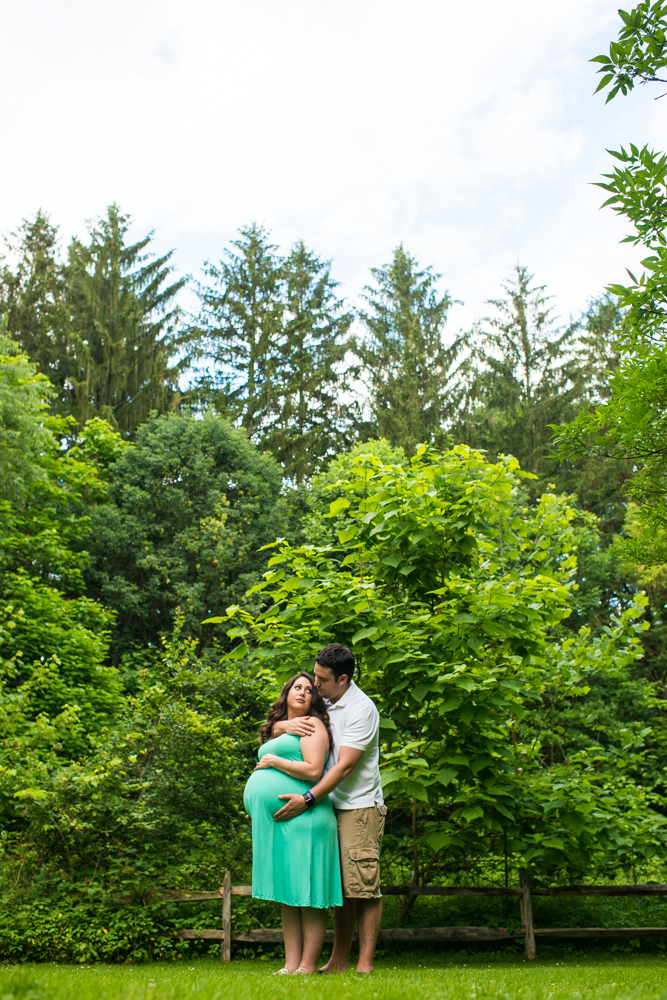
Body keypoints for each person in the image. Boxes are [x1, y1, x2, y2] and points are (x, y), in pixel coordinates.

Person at [272, 643, 386, 974]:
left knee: (363, 888)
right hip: (329, 806)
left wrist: (307, 798)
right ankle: (338, 960)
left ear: (344, 679)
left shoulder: (361, 709)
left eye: (322, 679)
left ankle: (364, 964)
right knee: (339, 887)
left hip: (358, 808)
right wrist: (282, 727)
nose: (315, 685)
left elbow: (343, 768)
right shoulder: (328, 703)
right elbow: (283, 721)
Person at [243, 672, 343, 974]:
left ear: (315, 698)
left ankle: (307, 966)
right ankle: (290, 965)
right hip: (281, 821)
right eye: (296, 687)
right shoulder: (280, 729)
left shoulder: (314, 725)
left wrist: (275, 762)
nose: (302, 692)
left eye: (309, 689)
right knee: (289, 895)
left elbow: (313, 771)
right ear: (286, 693)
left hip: (307, 817)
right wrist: (257, 805)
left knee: (308, 894)